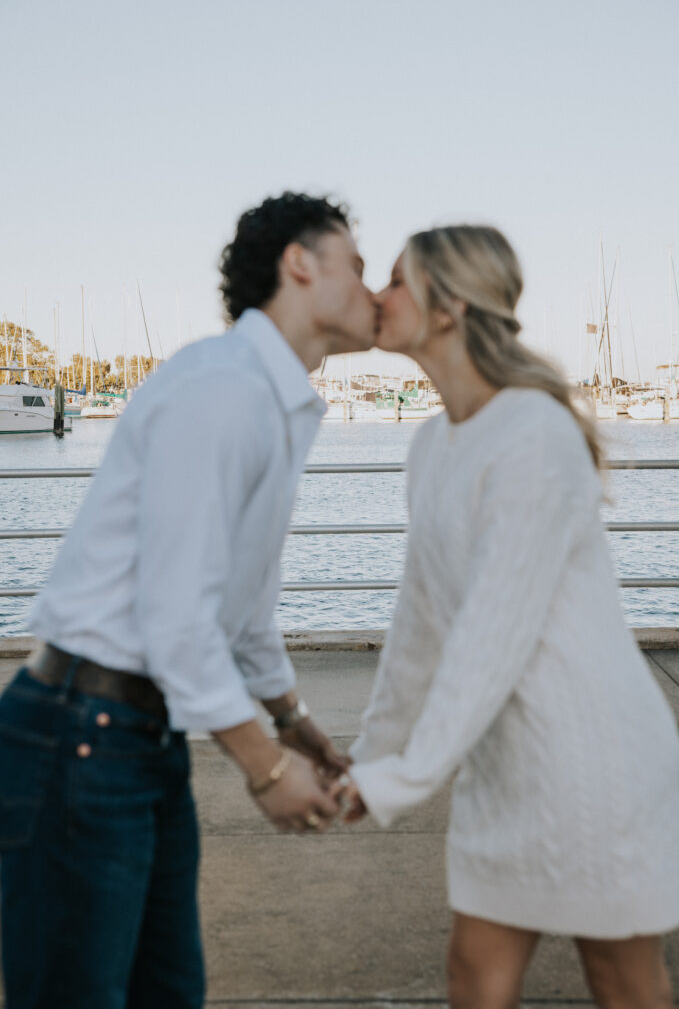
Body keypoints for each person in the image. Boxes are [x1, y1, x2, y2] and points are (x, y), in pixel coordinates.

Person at [0, 192, 377, 1009]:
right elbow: (175, 617)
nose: (371, 289)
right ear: (299, 264)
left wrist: (291, 721)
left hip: (136, 737)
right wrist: (266, 769)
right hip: (78, 736)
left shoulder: (275, 401)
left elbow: (238, 608)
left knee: (168, 992)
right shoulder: (225, 389)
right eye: (357, 264)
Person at [336, 225, 679, 1008]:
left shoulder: (534, 433)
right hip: (504, 768)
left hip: (596, 764)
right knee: (472, 977)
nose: (376, 297)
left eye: (394, 281)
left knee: (620, 981)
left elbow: (490, 636)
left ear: (448, 307)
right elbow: (420, 625)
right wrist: (370, 757)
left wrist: (402, 778)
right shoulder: (430, 444)